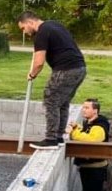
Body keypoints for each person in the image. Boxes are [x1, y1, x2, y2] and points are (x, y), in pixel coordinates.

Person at [17, 11, 86, 148]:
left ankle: (50, 139)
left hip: (66, 69)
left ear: (30, 22)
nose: (24, 32)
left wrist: (32, 75)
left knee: (51, 100)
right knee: (63, 102)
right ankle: (59, 137)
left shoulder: (41, 33)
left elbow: (39, 63)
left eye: (23, 28)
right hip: (80, 68)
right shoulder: (54, 25)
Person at [68, 98, 110, 191]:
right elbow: (87, 133)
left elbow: (92, 139)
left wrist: (74, 133)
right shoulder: (90, 123)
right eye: (83, 107)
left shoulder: (99, 125)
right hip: (88, 167)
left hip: (95, 169)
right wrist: (78, 128)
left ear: (95, 110)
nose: (83, 110)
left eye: (87, 107)